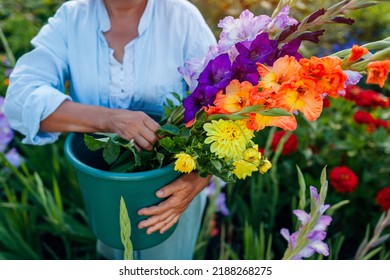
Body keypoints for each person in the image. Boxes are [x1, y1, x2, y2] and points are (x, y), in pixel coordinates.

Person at [4, 0, 216, 260]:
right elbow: (20, 97)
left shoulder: (182, 18)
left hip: (171, 191)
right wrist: (110, 119)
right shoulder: (73, 18)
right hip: (103, 189)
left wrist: (197, 180)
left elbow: (224, 104)